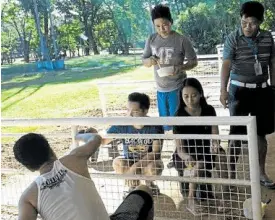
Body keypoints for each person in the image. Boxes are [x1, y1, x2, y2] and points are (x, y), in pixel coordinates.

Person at [14, 132, 154, 220]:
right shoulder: (74, 158)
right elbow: (95, 139)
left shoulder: (28, 198)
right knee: (144, 190)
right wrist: (80, 135)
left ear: (29, 167)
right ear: (50, 149)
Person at [220, 1, 275, 189]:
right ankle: (231, 175)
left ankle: (261, 173)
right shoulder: (232, 38)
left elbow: (272, 62)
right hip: (239, 91)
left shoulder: (268, 38)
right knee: (236, 134)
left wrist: (273, 87)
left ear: (260, 22)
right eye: (244, 22)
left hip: (262, 90)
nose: (247, 27)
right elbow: (226, 64)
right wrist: (223, 90)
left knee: (261, 134)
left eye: (252, 23)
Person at [172, 78, 224, 214]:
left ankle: (224, 195)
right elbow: (180, 148)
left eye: (194, 95)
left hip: (206, 150)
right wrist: (186, 156)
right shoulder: (178, 116)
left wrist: (215, 145)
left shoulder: (209, 110)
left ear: (201, 93)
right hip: (186, 154)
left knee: (222, 157)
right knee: (198, 165)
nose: (190, 100)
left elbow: (215, 134)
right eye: (186, 96)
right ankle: (191, 200)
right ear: (181, 97)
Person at [142, 4, 198, 133]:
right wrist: (149, 61)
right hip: (160, 88)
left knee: (178, 123)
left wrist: (181, 67)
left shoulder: (181, 40)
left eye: (165, 25)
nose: (162, 29)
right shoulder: (151, 39)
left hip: (178, 87)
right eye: (157, 26)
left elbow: (194, 61)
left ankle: (180, 150)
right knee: (166, 124)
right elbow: (144, 61)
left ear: (171, 22)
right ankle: (174, 148)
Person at [101, 92, 164, 197]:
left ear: (145, 111)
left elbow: (155, 153)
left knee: (155, 167)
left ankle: (149, 184)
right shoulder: (122, 124)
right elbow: (104, 141)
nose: (129, 115)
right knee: (117, 162)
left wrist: (134, 168)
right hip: (129, 161)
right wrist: (91, 135)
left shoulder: (155, 125)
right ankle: (133, 186)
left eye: (134, 111)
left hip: (147, 162)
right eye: (127, 110)